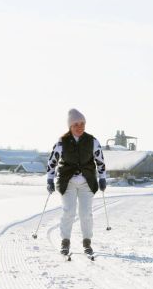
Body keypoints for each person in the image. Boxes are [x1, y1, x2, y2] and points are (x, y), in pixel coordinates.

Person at [46, 108, 107, 257]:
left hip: (87, 182)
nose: (80, 127)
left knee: (86, 213)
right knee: (69, 211)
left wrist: (102, 177)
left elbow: (100, 161)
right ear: (70, 126)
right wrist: (49, 179)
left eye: (82, 123)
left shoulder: (92, 141)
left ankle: (87, 242)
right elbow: (52, 161)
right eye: (76, 124)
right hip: (68, 182)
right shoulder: (62, 142)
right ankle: (65, 242)